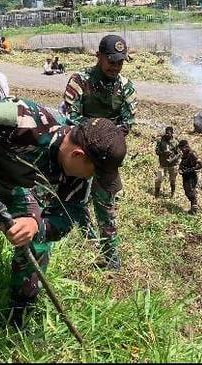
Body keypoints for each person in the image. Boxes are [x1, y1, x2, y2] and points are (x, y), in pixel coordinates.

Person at [0, 99, 127, 361]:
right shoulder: (23, 116)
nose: (91, 180)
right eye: (93, 173)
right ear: (78, 156)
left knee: (37, 245)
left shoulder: (79, 176)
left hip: (13, 187)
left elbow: (68, 214)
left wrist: (36, 225)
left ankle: (19, 315)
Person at [62, 34, 137, 271]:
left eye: (120, 62)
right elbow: (69, 117)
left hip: (105, 156)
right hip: (80, 153)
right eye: (111, 61)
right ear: (98, 56)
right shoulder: (79, 81)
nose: (115, 66)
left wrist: (102, 135)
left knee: (105, 205)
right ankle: (87, 236)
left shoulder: (125, 87)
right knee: (74, 198)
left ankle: (110, 255)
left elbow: (128, 122)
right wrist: (100, 130)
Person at [154, 126, 179, 198]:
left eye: (169, 133)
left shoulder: (175, 142)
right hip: (163, 164)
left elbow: (179, 154)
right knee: (158, 179)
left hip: (173, 164)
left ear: (172, 133)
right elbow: (157, 151)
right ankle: (156, 194)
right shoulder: (161, 141)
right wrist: (163, 152)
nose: (167, 135)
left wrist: (172, 156)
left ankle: (172, 193)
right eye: (166, 133)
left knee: (172, 180)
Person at [178, 139, 202, 215]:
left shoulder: (192, 154)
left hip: (191, 176)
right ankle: (193, 207)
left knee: (191, 192)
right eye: (181, 149)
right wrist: (180, 169)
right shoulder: (184, 154)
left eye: (184, 148)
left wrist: (190, 169)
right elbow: (182, 164)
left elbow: (201, 165)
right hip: (185, 176)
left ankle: (194, 209)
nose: (182, 150)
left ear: (187, 146)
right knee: (187, 192)